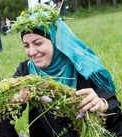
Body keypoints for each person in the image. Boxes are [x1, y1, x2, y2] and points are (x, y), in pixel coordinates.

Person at [12, 4, 122, 136]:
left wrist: (102, 105)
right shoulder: (26, 71)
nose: (31, 52)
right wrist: (11, 101)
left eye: (38, 43)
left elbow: (115, 119)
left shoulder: (84, 69)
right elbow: (7, 116)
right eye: (26, 45)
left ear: (56, 41)